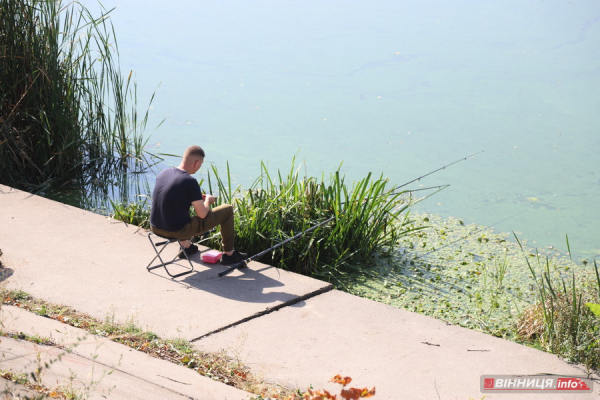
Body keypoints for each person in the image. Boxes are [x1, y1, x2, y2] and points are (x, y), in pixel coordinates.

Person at [150, 145, 247, 265]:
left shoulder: (164, 173)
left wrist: (195, 197)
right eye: (200, 164)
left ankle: (186, 246)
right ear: (196, 163)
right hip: (176, 231)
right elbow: (202, 215)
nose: (199, 168)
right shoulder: (190, 181)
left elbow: (172, 198)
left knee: (178, 214)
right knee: (227, 210)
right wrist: (208, 201)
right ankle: (229, 254)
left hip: (155, 227)